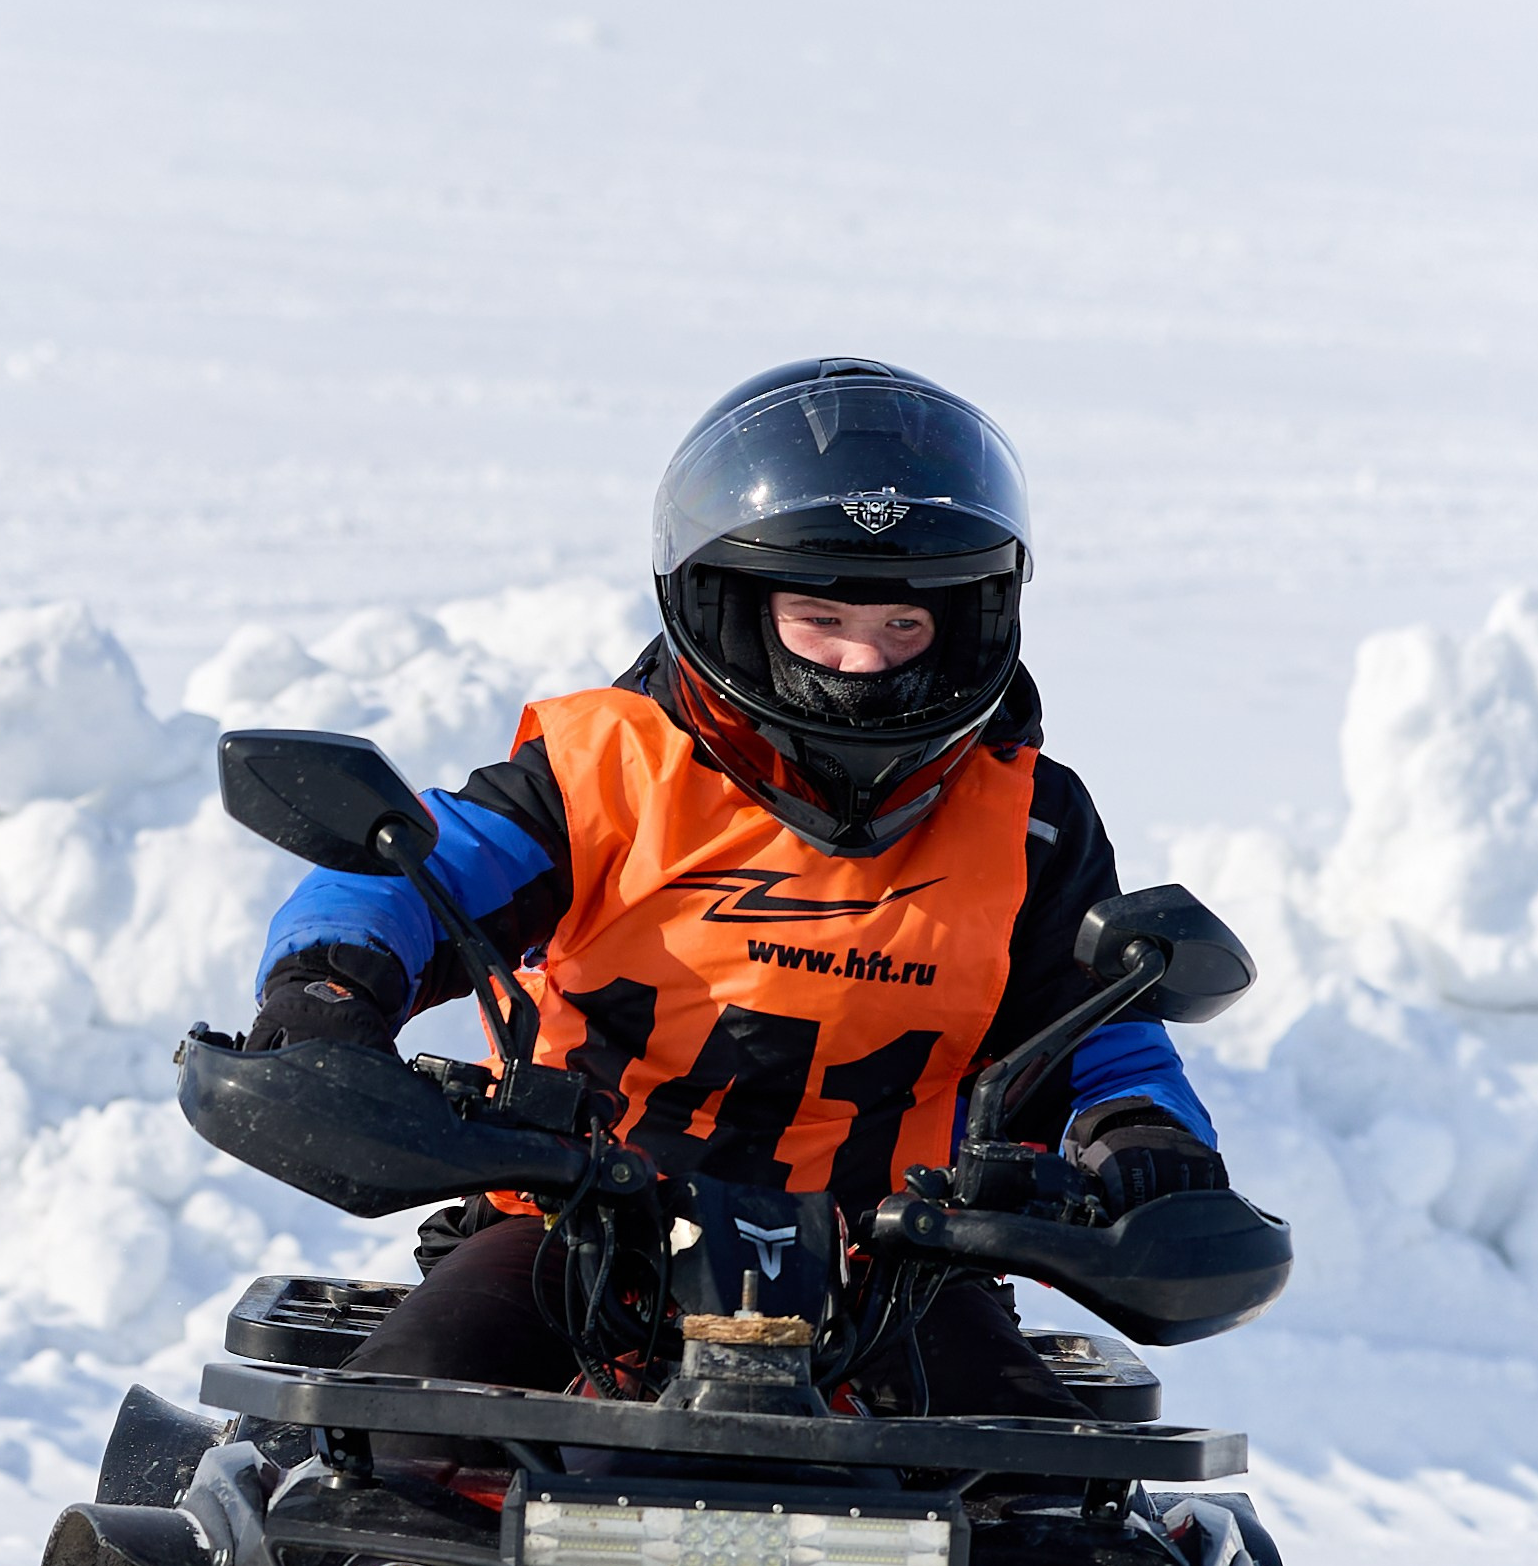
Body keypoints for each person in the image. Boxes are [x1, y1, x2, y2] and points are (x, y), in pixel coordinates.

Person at [248, 358, 1224, 1416]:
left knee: (1056, 1526)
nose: (864, 661)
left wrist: (1145, 1136)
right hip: (571, 1229)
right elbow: (411, 872)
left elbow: (1101, 1028)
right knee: (383, 1446)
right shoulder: (600, 770)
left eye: (905, 626)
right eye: (821, 620)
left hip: (896, 1267)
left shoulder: (1032, 821)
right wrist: (326, 995)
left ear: (970, 619)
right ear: (737, 608)